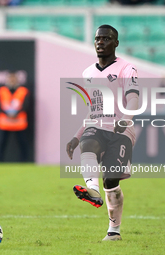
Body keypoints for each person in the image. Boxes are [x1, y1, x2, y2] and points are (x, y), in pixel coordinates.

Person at [66, 25, 139, 241]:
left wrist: (126, 120)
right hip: (96, 125)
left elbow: (133, 98)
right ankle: (92, 191)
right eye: (98, 38)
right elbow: (92, 109)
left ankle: (114, 231)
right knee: (88, 142)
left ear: (116, 43)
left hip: (121, 130)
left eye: (106, 39)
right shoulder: (87, 73)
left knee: (111, 180)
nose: (100, 42)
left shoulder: (127, 68)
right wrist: (77, 135)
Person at [0, 72, 29, 162]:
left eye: (14, 78)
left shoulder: (22, 91)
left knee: (22, 143)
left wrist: (16, 113)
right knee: (2, 143)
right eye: (10, 78)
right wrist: (7, 113)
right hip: (5, 123)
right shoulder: (2, 90)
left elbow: (26, 105)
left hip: (19, 123)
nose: (12, 80)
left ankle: (24, 161)